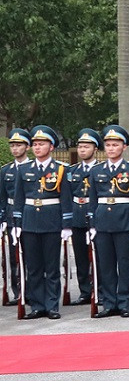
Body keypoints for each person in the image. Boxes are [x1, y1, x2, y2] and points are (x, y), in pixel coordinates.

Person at [11, 126, 73, 319]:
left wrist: (66, 225)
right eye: (35, 144)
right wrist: (17, 224)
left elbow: (66, 199)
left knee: (52, 266)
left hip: (51, 221)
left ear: (51, 147)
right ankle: (37, 305)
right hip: (30, 222)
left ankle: (52, 305)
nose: (37, 148)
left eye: (42, 144)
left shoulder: (61, 170)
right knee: (34, 267)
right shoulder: (23, 169)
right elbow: (19, 198)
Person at [87, 125, 129, 318]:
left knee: (124, 263)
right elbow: (93, 199)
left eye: (115, 145)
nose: (111, 148)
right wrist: (92, 224)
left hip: (124, 220)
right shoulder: (96, 171)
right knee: (105, 264)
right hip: (103, 220)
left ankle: (124, 303)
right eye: (108, 145)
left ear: (124, 147)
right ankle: (109, 303)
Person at [67, 128, 101, 305]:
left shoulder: (100, 169)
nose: (82, 150)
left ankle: (101, 290)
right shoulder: (71, 171)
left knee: (100, 256)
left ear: (95, 148)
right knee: (80, 256)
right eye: (80, 147)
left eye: (86, 147)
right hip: (77, 215)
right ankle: (85, 291)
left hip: (96, 214)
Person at [1, 128, 32, 304]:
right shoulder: (6, 171)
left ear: (27, 147)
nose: (15, 148)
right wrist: (2, 219)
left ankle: (33, 291)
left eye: (19, 145)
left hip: (30, 214)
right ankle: (18, 292)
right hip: (12, 216)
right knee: (14, 257)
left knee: (32, 258)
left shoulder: (32, 168)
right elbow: (3, 197)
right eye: (12, 145)